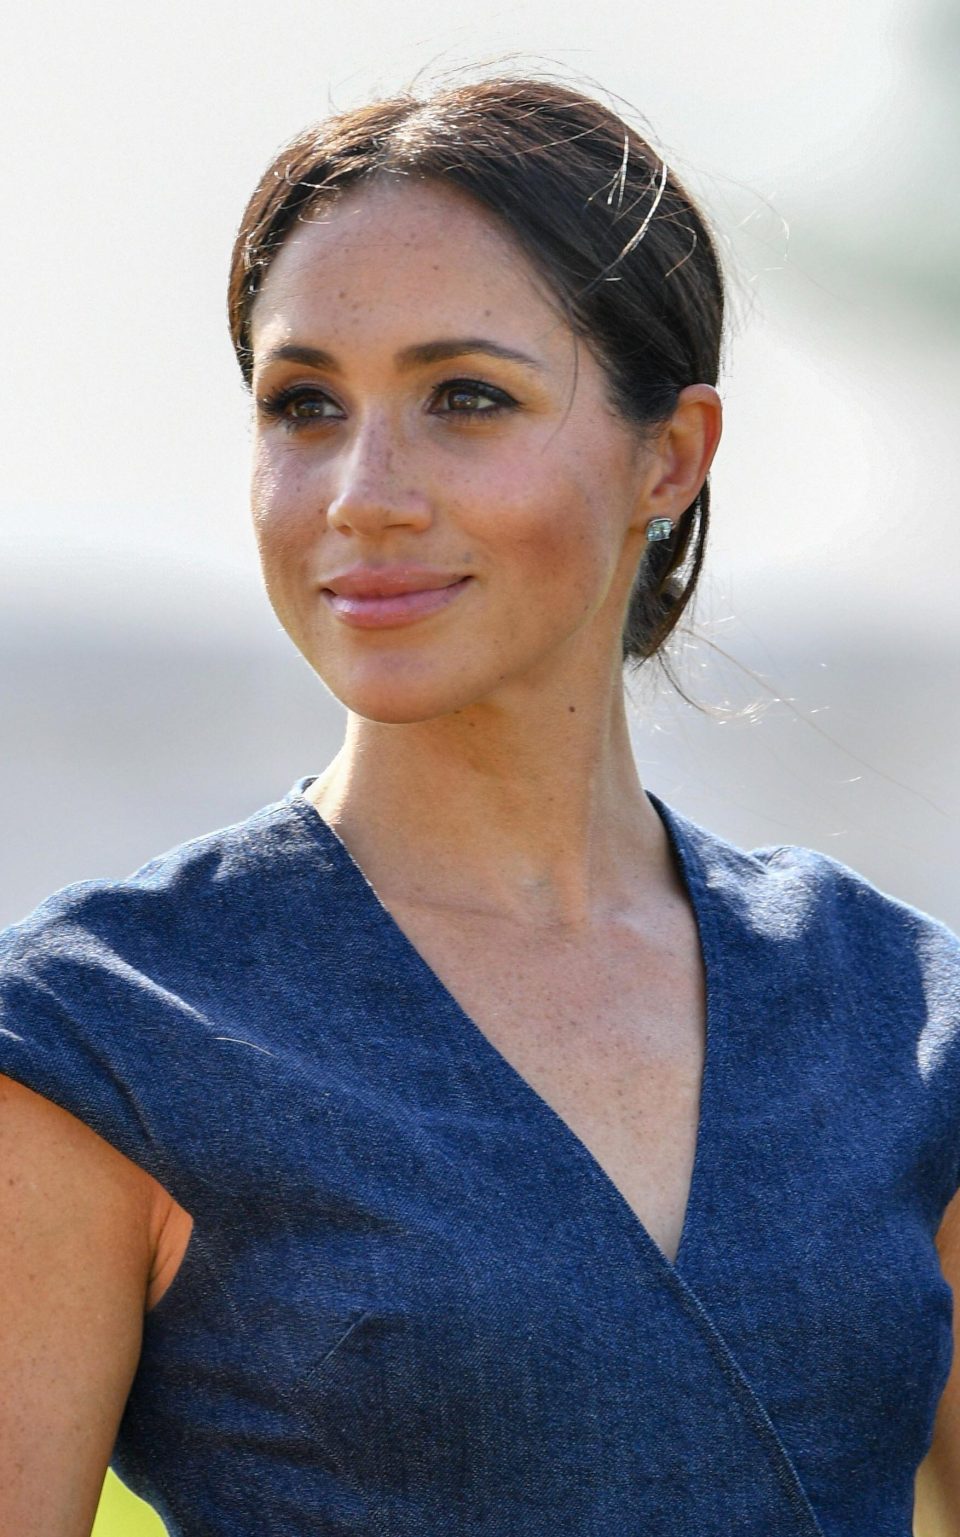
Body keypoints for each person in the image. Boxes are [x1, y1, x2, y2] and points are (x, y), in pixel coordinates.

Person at [1, 74, 958, 1537]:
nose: (362, 492)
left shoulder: (896, 1014)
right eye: (304, 405)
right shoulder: (104, 1031)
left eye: (465, 397)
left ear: (671, 455)